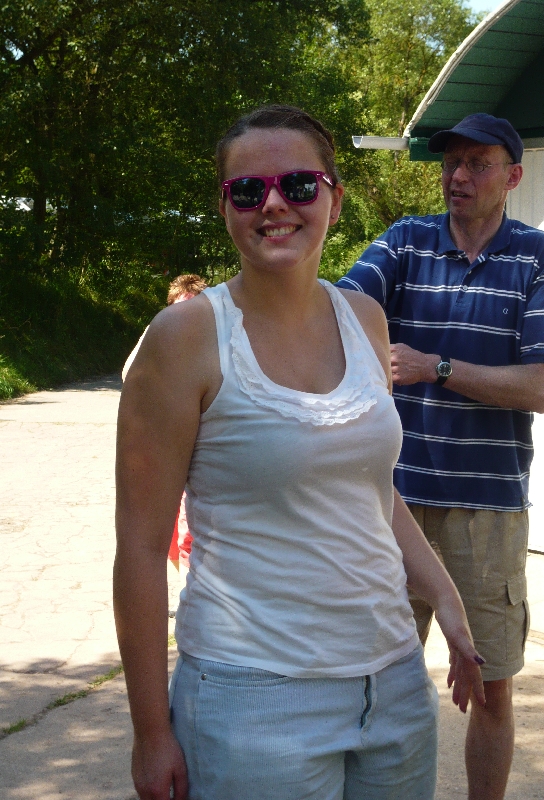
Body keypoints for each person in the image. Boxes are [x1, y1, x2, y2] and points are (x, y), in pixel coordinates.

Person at [114, 104, 485, 800]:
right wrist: (150, 731)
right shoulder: (184, 338)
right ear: (225, 208)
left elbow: (371, 491)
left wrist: (445, 597)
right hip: (251, 700)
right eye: (248, 190)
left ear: (334, 200)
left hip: (394, 687)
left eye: (299, 184)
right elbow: (139, 546)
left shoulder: (365, 319)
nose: (274, 204)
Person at [337, 113, 544, 800]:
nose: (458, 176)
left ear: (513, 177)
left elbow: (541, 387)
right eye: (450, 163)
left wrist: (434, 367)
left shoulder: (535, 257)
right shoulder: (405, 242)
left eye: (477, 164)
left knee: (491, 688)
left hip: (487, 511)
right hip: (392, 505)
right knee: (372, 682)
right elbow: (341, 306)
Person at [122, 273, 207, 584]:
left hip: (203, 450)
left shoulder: (216, 338)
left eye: (193, 307)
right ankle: (186, 586)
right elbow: (129, 374)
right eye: (178, 307)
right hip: (165, 449)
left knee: (190, 526)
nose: (185, 315)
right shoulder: (159, 334)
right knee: (168, 530)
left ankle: (191, 589)